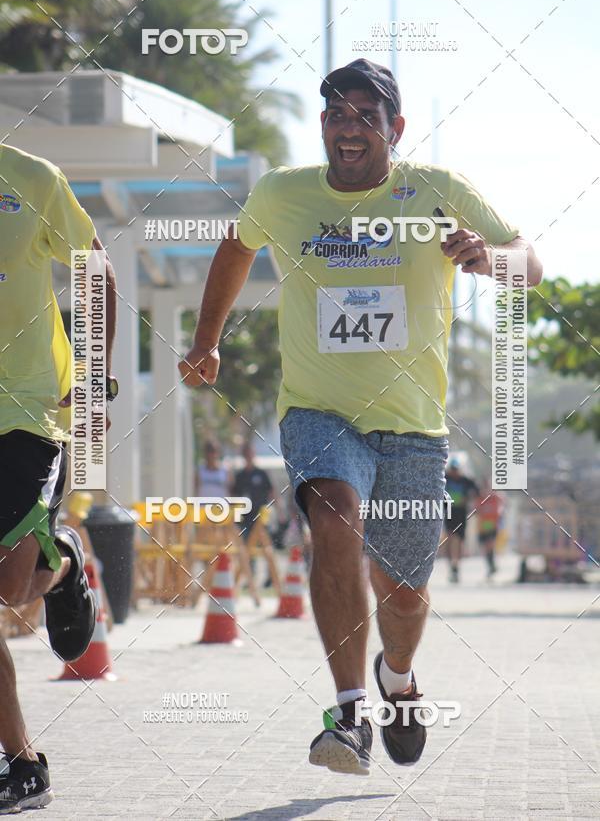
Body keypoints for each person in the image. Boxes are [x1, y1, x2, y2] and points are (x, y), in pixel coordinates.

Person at [178, 58, 543, 775]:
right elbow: (235, 248)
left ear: (393, 128)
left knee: (404, 597)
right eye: (336, 115)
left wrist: (486, 259)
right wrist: (205, 342)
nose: (348, 128)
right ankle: (349, 715)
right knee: (333, 516)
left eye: (364, 116)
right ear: (322, 126)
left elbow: (528, 262)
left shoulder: (437, 190)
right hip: (319, 412)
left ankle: (397, 679)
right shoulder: (283, 194)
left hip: (413, 427)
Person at [0, 143, 117, 810]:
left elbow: (94, 268)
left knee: (13, 588)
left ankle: (64, 564)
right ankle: (21, 766)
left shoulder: (30, 177)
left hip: (29, 409)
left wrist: (96, 379)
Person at [231, 442, 282, 594]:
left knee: (267, 548)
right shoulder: (240, 476)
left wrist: (278, 511)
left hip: (261, 517)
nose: (248, 457)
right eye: (246, 454)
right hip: (245, 518)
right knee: (247, 548)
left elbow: (272, 492)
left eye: (250, 453)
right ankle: (249, 576)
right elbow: (234, 494)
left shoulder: (261, 473)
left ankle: (271, 577)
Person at [444, 458, 480, 583]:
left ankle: (456, 566)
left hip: (461, 513)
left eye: (456, 469)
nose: (454, 472)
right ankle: (451, 566)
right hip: (449, 512)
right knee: (450, 538)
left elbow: (477, 490)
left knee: (459, 541)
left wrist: (469, 497)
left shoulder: (465, 480)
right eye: (452, 469)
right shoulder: (445, 477)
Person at [475, 482, 505, 579]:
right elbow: (477, 510)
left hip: (493, 525)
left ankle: (492, 565)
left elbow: (502, 506)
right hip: (483, 526)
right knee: (486, 547)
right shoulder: (480, 499)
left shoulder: (495, 498)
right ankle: (491, 565)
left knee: (490, 545)